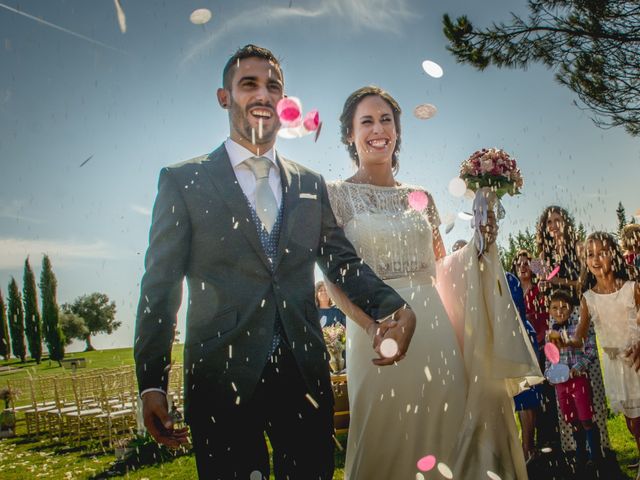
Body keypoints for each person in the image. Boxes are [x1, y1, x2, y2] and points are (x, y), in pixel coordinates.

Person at [133, 46, 416, 480]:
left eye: (273, 86)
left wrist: (393, 307)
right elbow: (160, 288)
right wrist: (152, 381)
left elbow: (342, 262)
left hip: (304, 377)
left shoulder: (309, 184)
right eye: (249, 84)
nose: (263, 94)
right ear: (224, 96)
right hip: (220, 380)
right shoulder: (183, 181)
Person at [325, 85, 541, 480]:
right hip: (377, 331)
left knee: (448, 437)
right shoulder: (336, 196)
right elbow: (336, 278)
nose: (378, 129)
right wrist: (372, 326)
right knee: (383, 441)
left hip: (434, 330)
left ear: (398, 131)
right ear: (350, 135)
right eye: (367, 121)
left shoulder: (420, 196)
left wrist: (480, 243)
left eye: (386, 119)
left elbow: (442, 268)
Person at [552, 231, 640, 476]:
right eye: (590, 254)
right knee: (631, 421)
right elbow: (579, 336)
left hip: (637, 359)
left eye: (602, 252)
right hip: (615, 365)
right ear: (586, 262)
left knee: (638, 419)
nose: (596, 259)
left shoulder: (632, 287)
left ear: (613, 255)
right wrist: (566, 341)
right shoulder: (588, 298)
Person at [535, 206, 612, 455]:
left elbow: (581, 283)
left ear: (566, 223)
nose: (554, 225)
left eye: (558, 220)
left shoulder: (578, 247)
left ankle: (599, 444)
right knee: (561, 372)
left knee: (588, 375)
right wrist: (544, 282)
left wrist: (557, 281)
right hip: (556, 314)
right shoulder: (545, 254)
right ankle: (574, 445)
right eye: (549, 222)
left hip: (579, 311)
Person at [545, 289, 600, 470]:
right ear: (550, 311)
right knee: (572, 419)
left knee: (585, 418)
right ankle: (580, 453)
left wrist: (578, 368)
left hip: (579, 381)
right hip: (561, 385)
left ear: (571, 309)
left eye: (563, 307)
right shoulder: (550, 333)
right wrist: (549, 373)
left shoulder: (579, 327)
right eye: (555, 308)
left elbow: (591, 350)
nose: (559, 311)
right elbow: (550, 357)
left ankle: (595, 453)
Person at [506, 270, 543, 463]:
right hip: (501, 341)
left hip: (518, 337)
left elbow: (514, 314)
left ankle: (528, 448)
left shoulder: (507, 279)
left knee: (525, 395)